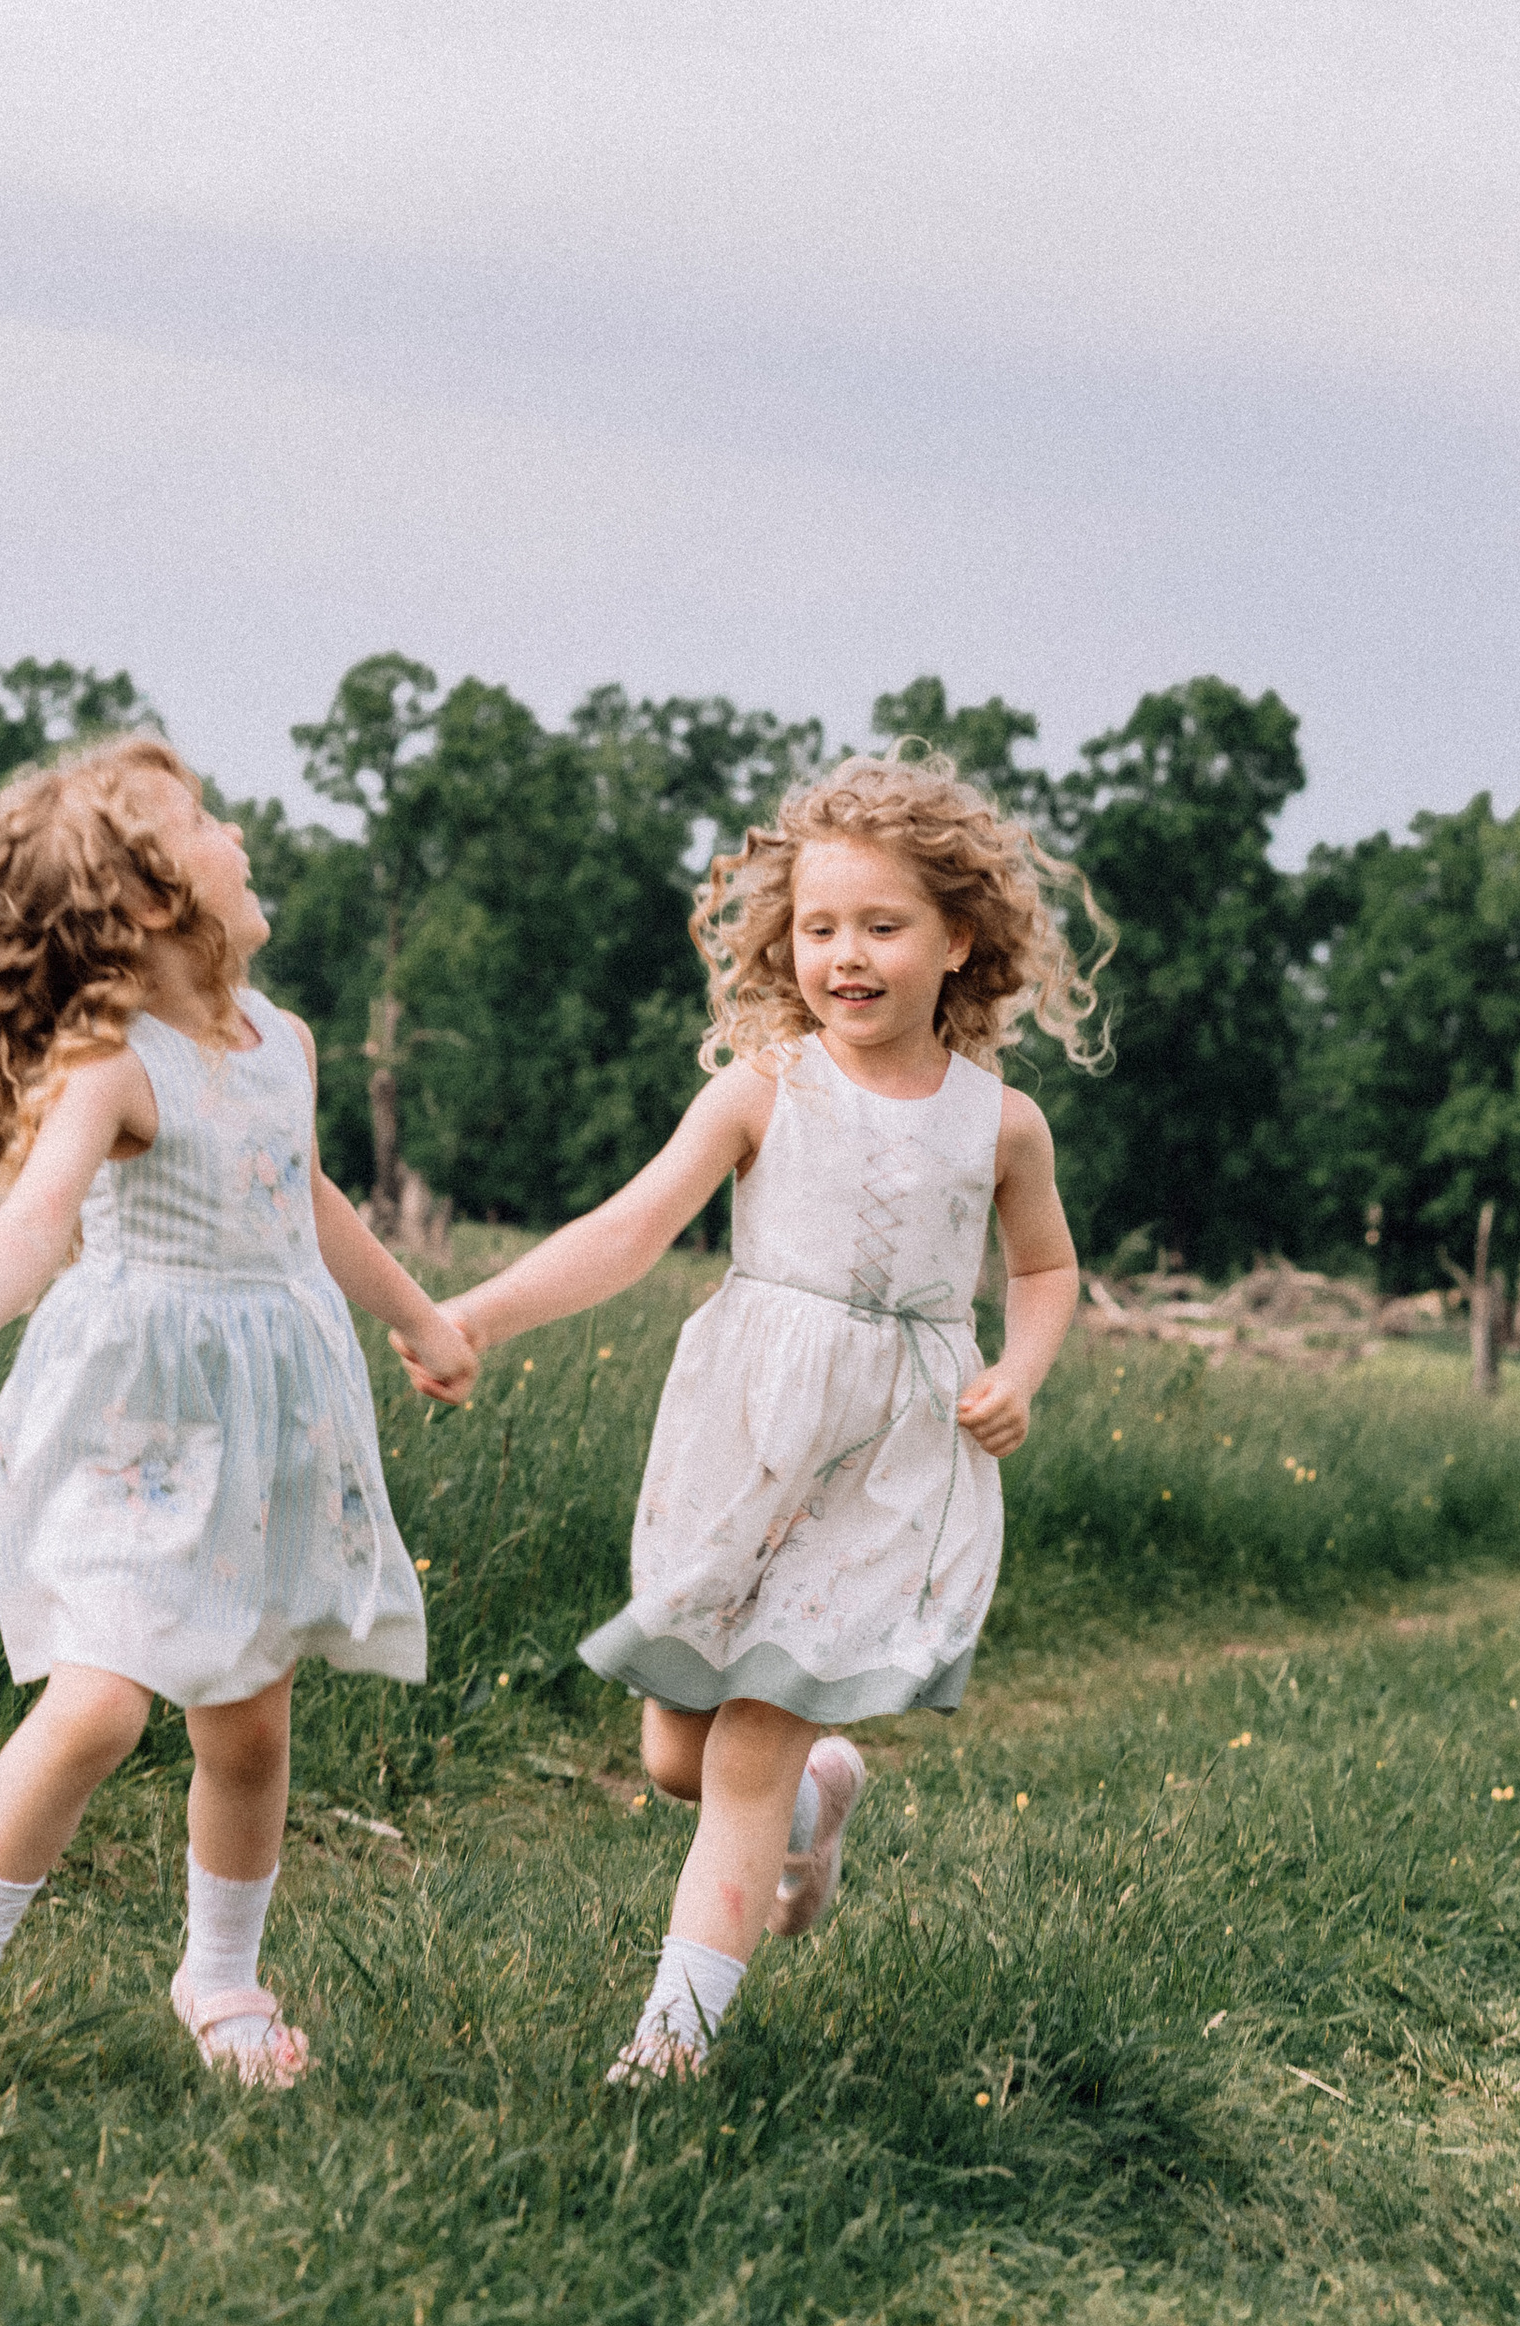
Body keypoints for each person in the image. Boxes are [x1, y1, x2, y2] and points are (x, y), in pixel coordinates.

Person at [397, 750, 1101, 2083]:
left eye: (882, 925)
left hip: (892, 1465)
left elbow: (1047, 1267)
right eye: (820, 925)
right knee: (681, 1748)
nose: (845, 952)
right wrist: (475, 1313)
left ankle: (673, 2043)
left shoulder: (1001, 1124)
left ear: (958, 937)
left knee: (746, 1751)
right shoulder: (761, 1089)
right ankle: (822, 1794)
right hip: (744, 1448)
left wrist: (1020, 1370)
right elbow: (630, 1229)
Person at [0, 733, 478, 2086]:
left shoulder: (283, 1042)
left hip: (266, 1418)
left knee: (248, 1721)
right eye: (206, 823)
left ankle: (224, 1973)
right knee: (99, 1703)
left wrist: (419, 1314)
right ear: (148, 900)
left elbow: (311, 1202)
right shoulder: (112, 1060)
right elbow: (34, 1220)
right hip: (136, 1419)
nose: (238, 835)